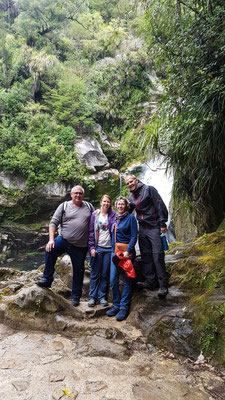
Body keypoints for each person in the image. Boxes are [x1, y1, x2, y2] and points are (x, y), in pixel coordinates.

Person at [36, 185, 94, 307]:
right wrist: (51, 240)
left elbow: (96, 222)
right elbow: (53, 223)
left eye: (80, 193)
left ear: (83, 195)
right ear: (71, 194)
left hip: (80, 245)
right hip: (64, 240)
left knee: (79, 270)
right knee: (51, 250)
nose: (78, 195)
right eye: (75, 193)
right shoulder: (64, 206)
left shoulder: (89, 207)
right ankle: (47, 279)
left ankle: (76, 296)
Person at [124, 174, 169, 298]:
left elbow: (159, 205)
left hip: (154, 227)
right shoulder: (131, 197)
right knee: (146, 256)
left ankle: (163, 284)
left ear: (136, 180)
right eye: (127, 183)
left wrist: (162, 222)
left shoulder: (149, 189)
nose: (130, 184)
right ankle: (150, 281)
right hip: (142, 228)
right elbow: (128, 212)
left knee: (157, 255)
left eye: (131, 181)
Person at [106, 196, 138, 321]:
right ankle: (116, 305)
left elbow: (134, 236)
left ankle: (124, 308)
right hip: (115, 254)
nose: (120, 206)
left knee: (126, 281)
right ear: (115, 206)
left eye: (122, 204)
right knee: (113, 280)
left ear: (126, 206)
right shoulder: (114, 218)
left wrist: (128, 251)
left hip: (126, 254)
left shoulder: (130, 218)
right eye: (118, 204)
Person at [88, 195, 116, 307]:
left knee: (105, 274)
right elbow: (91, 232)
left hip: (109, 249)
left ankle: (102, 297)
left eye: (108, 202)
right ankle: (92, 297)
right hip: (98, 247)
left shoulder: (114, 215)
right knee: (95, 273)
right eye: (104, 201)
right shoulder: (95, 215)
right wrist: (92, 248)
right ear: (100, 202)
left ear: (110, 203)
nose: (106, 203)